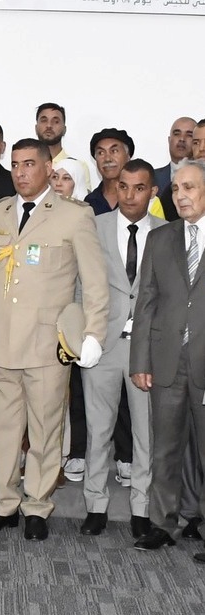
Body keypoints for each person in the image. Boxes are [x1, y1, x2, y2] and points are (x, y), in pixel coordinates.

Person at [0, 138, 108, 541]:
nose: (22, 172)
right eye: (16, 165)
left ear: (48, 168)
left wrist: (94, 332)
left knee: (46, 429)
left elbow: (94, 282)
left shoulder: (73, 216)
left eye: (30, 164)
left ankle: (37, 507)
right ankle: (5, 503)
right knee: (5, 425)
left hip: (48, 342)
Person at [78, 159, 161, 539]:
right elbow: (80, 285)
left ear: (152, 191)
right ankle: (95, 504)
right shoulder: (95, 226)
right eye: (124, 186)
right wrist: (84, 337)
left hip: (147, 349)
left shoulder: (167, 233)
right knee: (99, 430)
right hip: (102, 345)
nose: (130, 195)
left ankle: (141, 508)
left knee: (146, 433)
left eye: (139, 188)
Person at [131, 159, 205, 556]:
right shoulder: (160, 239)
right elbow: (146, 302)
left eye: (189, 188)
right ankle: (163, 524)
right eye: (176, 189)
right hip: (165, 361)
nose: (181, 196)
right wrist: (140, 361)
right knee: (164, 449)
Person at [35, 102, 92, 191]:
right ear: (36, 128)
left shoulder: (78, 166)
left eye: (56, 121)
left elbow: (83, 201)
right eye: (44, 120)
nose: (49, 125)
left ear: (64, 129)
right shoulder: (26, 165)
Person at [85, 128, 136, 214]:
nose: (107, 159)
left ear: (128, 156)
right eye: (101, 153)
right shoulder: (88, 203)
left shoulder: (144, 198)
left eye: (114, 151)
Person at [153, 117, 197, 193]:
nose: (182, 139)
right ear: (169, 140)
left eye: (189, 135)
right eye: (177, 134)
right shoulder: (152, 177)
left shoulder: (202, 177)